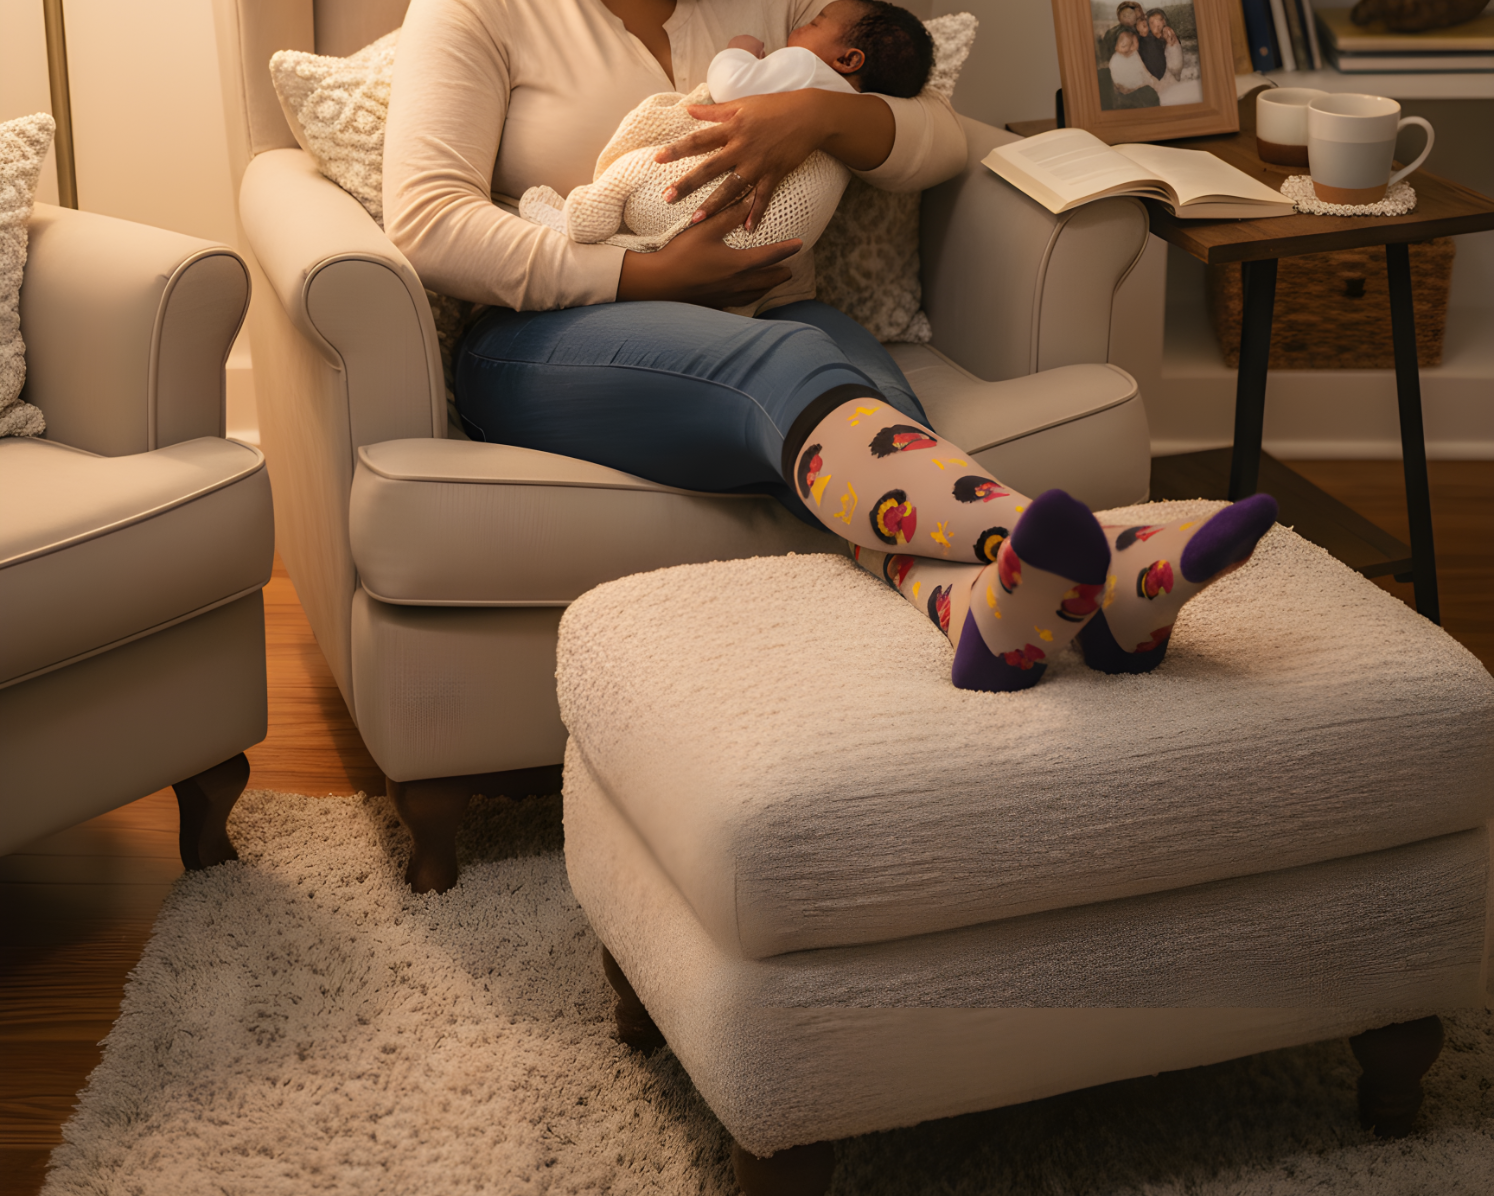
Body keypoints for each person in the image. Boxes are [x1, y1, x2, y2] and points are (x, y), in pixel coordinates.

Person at [384, 0, 1275, 694]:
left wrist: (817, 114)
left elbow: (935, 142)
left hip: (773, 313)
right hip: (549, 338)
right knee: (800, 377)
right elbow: (427, 219)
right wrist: (644, 280)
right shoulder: (475, 11)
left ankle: (977, 614)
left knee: (880, 420)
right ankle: (1115, 576)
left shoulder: (777, 8)